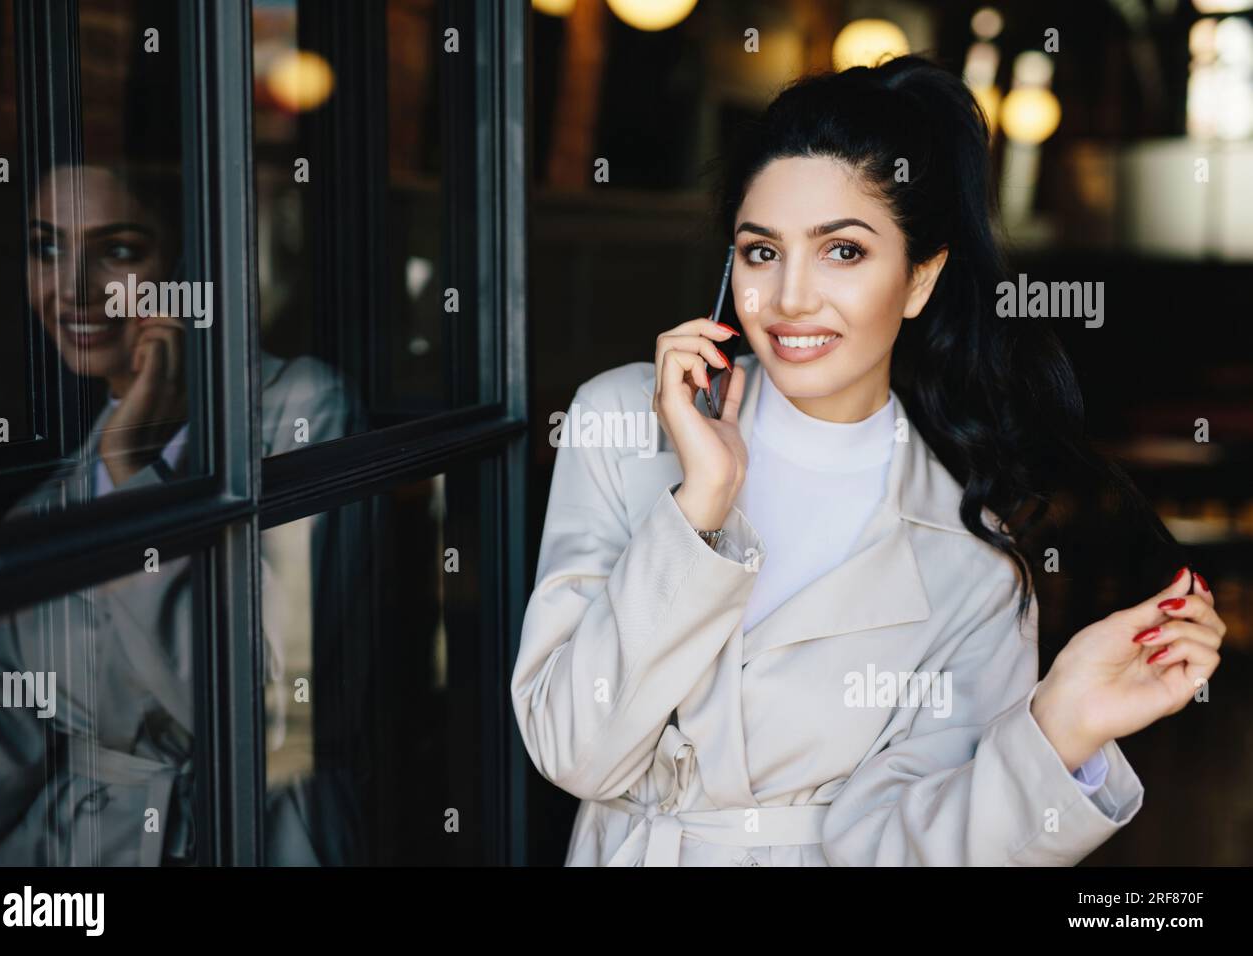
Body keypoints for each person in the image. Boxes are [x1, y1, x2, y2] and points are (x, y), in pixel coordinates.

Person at [510, 56, 1227, 867]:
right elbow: (572, 750)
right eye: (760, 252)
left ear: (920, 278)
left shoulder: (972, 559)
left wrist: (1061, 727)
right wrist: (698, 504)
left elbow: (912, 851)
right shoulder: (624, 423)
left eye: (842, 252)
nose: (789, 299)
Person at [0, 162, 357, 865]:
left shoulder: (299, 408)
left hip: (250, 835)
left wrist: (133, 470)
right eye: (46, 248)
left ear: (189, 265)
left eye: (118, 251)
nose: (73, 288)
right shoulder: (46, 504)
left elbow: (255, 712)